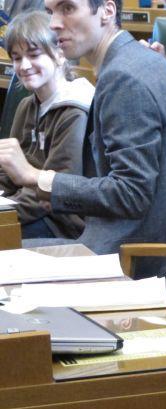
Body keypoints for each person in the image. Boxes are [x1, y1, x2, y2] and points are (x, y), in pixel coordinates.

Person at [0, 0, 166, 303]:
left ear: (107, 11)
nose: (54, 24)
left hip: (157, 261)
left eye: (67, 9)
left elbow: (131, 194)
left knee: (9, 286)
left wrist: (38, 178)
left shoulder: (123, 77)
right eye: (51, 12)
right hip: (156, 246)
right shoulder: (138, 61)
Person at [0, 11, 94, 240]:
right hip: (23, 210)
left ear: (60, 55)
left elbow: (55, 191)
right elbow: (7, 174)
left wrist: (6, 213)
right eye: (16, 57)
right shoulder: (26, 105)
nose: (24, 66)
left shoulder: (74, 110)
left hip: (60, 223)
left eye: (33, 55)